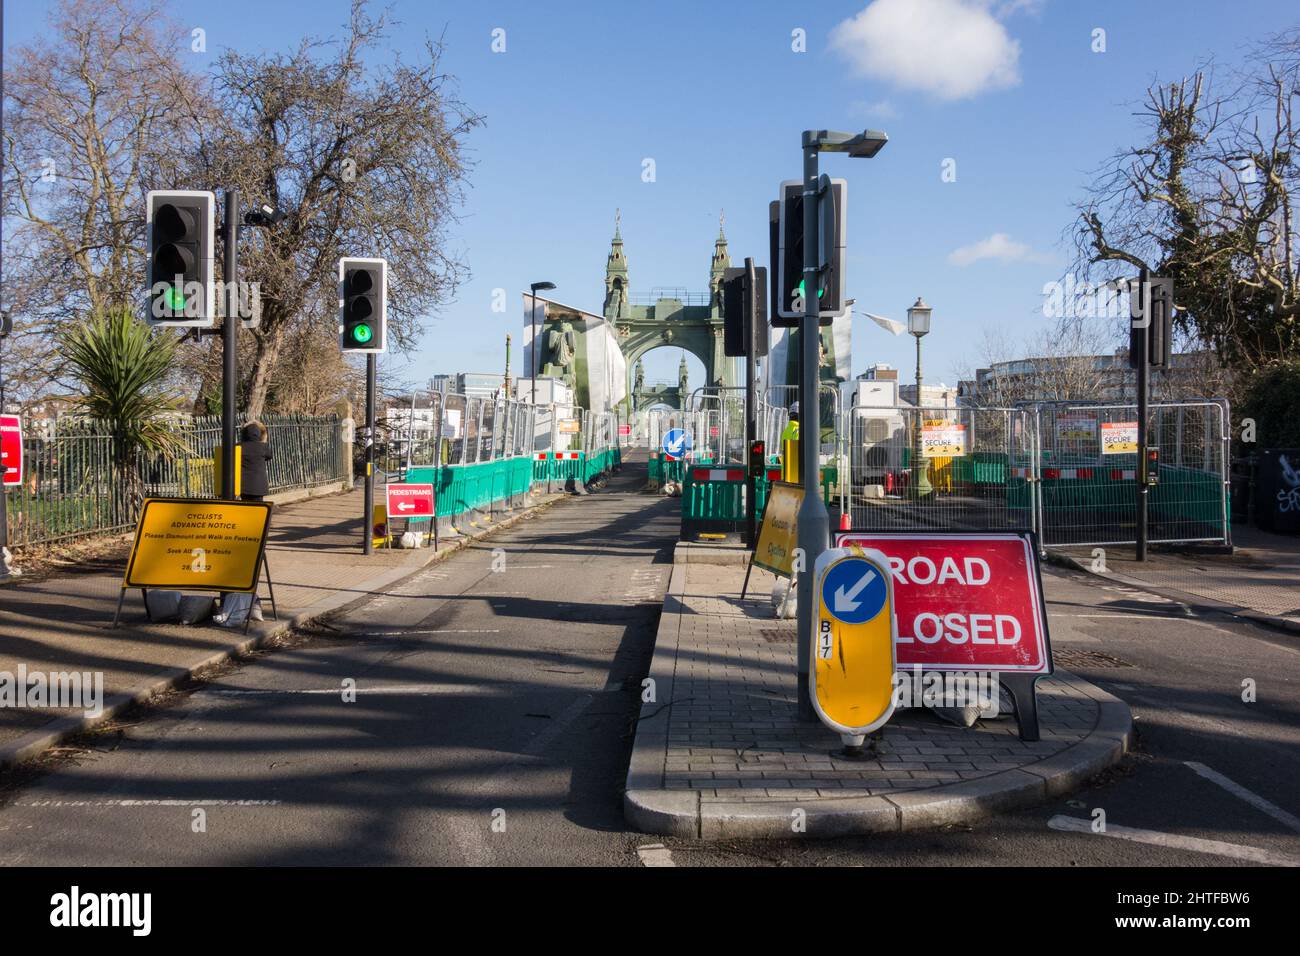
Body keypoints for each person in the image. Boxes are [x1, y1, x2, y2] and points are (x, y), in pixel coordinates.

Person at [239, 421, 272, 501]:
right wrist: (264, 439)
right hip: (258, 486)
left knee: (245, 507)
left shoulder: (239, 446)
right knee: (258, 508)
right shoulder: (263, 447)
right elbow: (269, 456)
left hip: (243, 486)